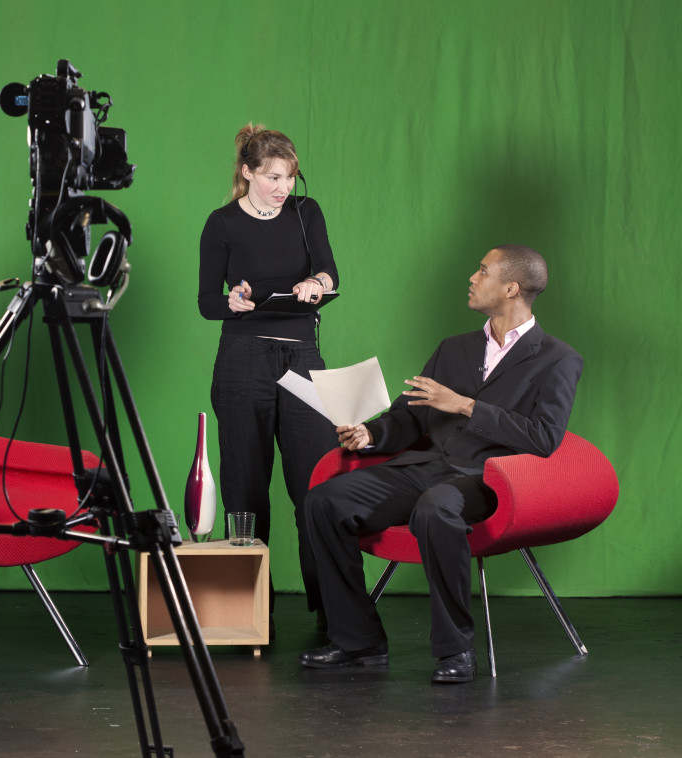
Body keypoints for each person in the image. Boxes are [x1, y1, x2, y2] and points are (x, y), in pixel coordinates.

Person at [300, 245, 583, 683]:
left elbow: (544, 437)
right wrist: (370, 434)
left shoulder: (558, 359)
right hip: (428, 467)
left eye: (483, 271)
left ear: (511, 288)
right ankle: (358, 641)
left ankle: (456, 651)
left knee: (435, 507)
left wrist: (468, 406)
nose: (472, 277)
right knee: (324, 500)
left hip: (491, 480)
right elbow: (410, 415)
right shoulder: (454, 348)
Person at [198, 124, 339, 619]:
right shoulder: (221, 224)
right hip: (243, 360)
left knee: (317, 486)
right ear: (248, 173)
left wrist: (316, 284)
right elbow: (206, 302)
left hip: (301, 358)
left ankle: (331, 610)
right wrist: (232, 302)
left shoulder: (306, 212)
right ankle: (248, 613)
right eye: (273, 177)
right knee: (246, 489)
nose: (283, 187)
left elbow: (329, 270)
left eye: (289, 177)